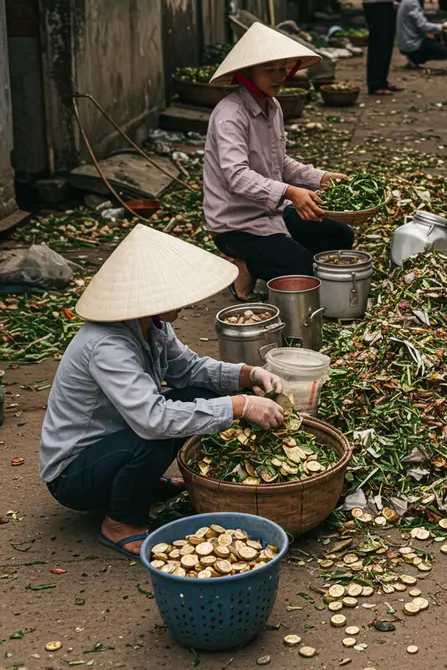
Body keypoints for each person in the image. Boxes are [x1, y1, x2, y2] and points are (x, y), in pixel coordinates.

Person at [40, 225, 288, 558]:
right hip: (74, 474)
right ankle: (120, 522)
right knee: (156, 433)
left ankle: (136, 485)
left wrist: (248, 374)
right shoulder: (107, 345)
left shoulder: (152, 325)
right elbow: (152, 420)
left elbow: (189, 370)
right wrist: (240, 406)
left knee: (194, 394)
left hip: (116, 439)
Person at [205, 23, 354, 301]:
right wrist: (289, 192)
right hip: (236, 224)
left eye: (283, 69)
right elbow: (236, 176)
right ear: (248, 73)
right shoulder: (230, 114)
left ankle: (279, 249)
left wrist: (321, 177)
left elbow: (279, 163)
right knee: (303, 269)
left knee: (341, 237)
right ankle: (243, 265)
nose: (279, 77)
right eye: (269, 70)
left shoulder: (272, 106)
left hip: (274, 213)